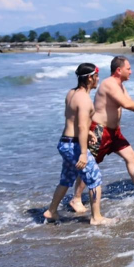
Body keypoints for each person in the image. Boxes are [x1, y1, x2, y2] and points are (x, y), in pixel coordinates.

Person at [73, 56, 134, 201]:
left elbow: (131, 104)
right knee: (89, 164)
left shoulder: (120, 85)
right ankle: (76, 198)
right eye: (128, 69)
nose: (131, 72)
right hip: (99, 132)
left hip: (114, 132)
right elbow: (126, 104)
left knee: (130, 155)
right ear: (118, 70)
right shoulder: (109, 84)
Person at [44, 64, 113, 225]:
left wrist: (88, 133)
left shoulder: (71, 93)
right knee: (95, 178)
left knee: (67, 178)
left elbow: (71, 118)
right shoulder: (84, 99)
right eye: (96, 76)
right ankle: (96, 217)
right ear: (90, 78)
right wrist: (83, 152)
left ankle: (51, 211)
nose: (98, 79)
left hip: (65, 142)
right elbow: (82, 126)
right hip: (75, 146)